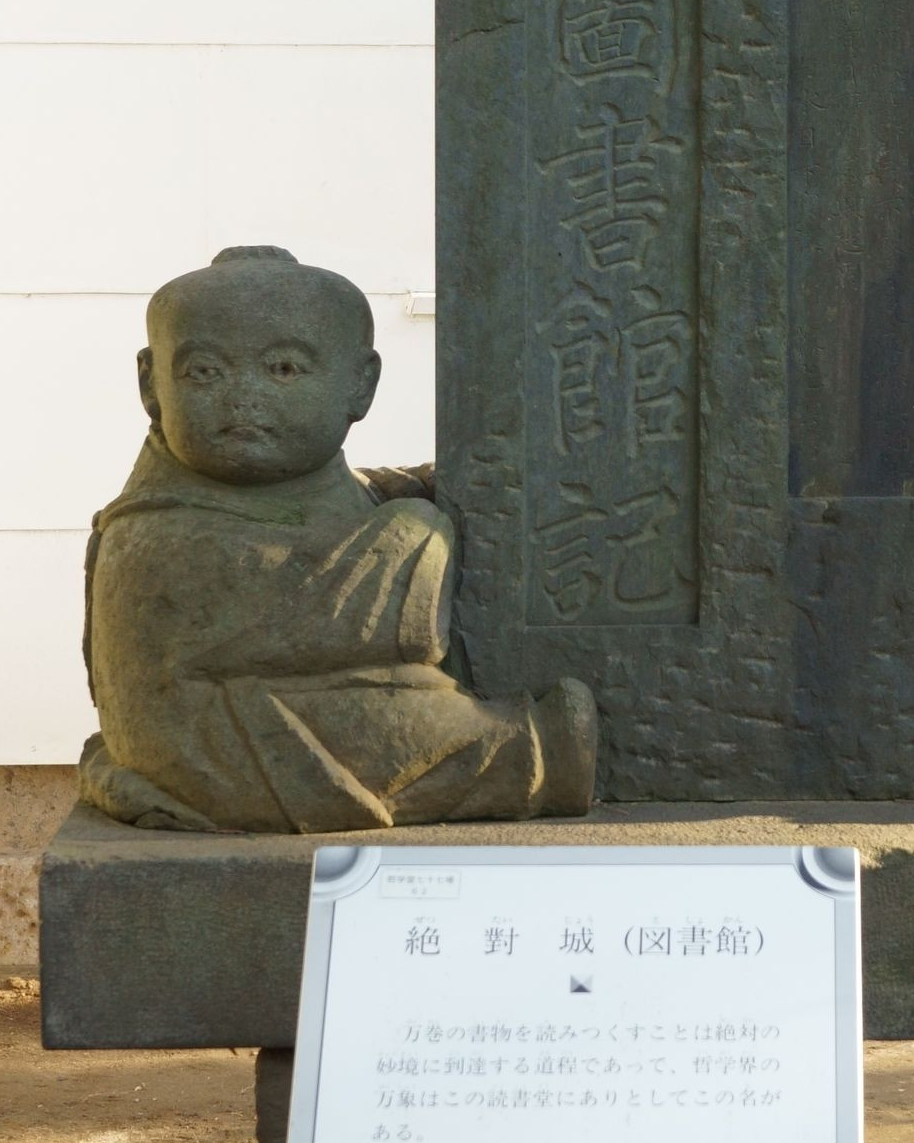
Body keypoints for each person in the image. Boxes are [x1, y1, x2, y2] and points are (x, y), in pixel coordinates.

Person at [78, 246, 595, 832]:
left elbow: (336, 501)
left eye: (283, 369)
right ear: (150, 384)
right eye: (204, 372)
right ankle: (537, 755)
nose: (242, 395)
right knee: (396, 725)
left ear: (360, 384)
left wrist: (416, 486)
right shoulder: (149, 535)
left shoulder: (311, 487)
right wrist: (422, 526)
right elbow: (384, 616)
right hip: (224, 753)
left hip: (307, 707)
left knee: (395, 704)